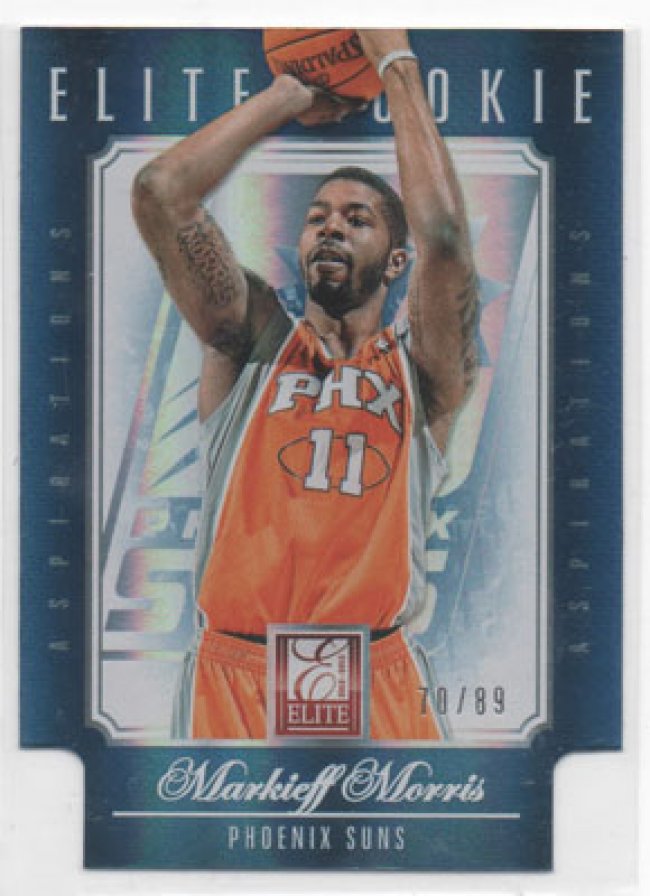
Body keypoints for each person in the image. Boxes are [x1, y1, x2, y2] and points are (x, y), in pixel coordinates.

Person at [131, 30, 477, 741]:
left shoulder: (421, 374)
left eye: (357, 219)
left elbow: (444, 238)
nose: (330, 228)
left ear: (396, 261)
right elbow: (162, 193)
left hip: (375, 670)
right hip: (238, 673)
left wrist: (394, 62)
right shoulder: (253, 343)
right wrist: (287, 94)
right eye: (317, 218)